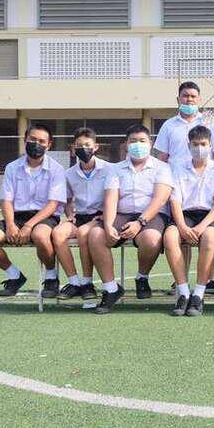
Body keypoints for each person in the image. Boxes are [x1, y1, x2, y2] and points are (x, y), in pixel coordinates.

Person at [87, 124, 174, 314]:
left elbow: (160, 199)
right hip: (122, 214)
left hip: (151, 215)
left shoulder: (162, 168)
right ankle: (111, 289)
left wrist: (140, 222)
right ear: (126, 144)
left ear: (150, 143)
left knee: (151, 239)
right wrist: (108, 225)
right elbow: (111, 198)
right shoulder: (115, 169)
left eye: (142, 141)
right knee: (95, 235)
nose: (138, 145)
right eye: (133, 141)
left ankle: (142, 277)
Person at [0, 123, 66, 298]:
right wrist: (10, 225)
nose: (36, 144)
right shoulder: (12, 167)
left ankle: (51, 278)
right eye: (33, 139)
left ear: (49, 145)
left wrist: (29, 226)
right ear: (25, 140)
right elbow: (7, 200)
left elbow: (53, 204)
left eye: (42, 141)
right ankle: (15, 276)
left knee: (41, 236)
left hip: (44, 217)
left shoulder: (57, 169)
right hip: (16, 217)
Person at [164, 125, 214, 317]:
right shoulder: (178, 168)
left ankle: (199, 294)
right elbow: (175, 201)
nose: (199, 148)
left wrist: (201, 227)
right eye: (195, 144)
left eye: (203, 144)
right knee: (170, 237)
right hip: (184, 215)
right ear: (188, 145)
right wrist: (182, 226)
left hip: (210, 216)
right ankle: (183, 292)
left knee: (209, 238)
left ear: (210, 145)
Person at [51, 127, 112, 300]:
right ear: (73, 148)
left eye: (87, 145)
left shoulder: (110, 169)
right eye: (79, 145)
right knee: (57, 233)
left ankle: (87, 283)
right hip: (79, 217)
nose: (83, 148)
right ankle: (74, 282)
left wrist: (106, 215)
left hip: (100, 217)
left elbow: (115, 196)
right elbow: (68, 200)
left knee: (84, 233)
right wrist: (69, 215)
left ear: (96, 147)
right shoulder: (69, 174)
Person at [155, 81, 214, 167]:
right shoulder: (168, 125)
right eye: (185, 96)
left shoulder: (210, 122)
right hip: (175, 173)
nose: (189, 99)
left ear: (199, 100)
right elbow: (163, 155)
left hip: (205, 173)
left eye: (193, 96)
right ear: (178, 100)